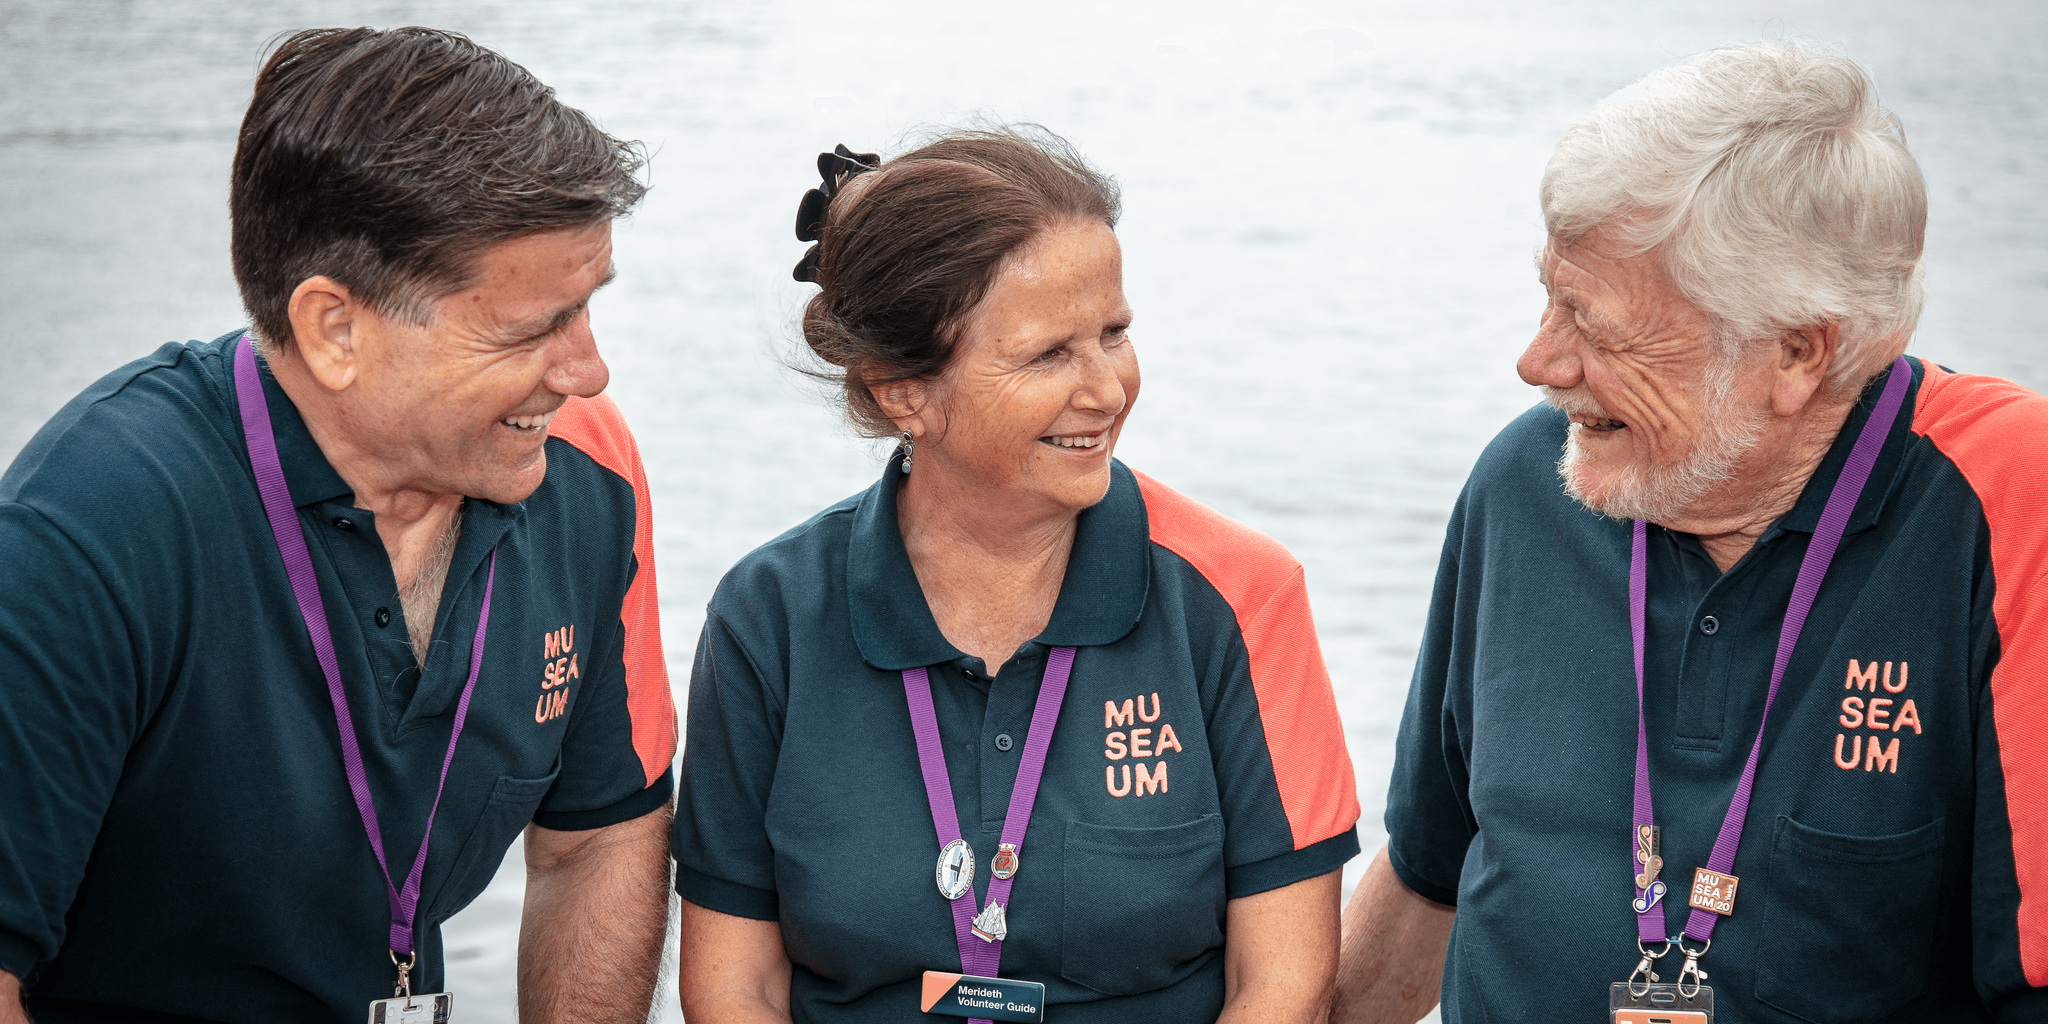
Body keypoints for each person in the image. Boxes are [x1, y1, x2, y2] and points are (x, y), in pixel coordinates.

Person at [1330, 42, 2048, 1023]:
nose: (1536, 361)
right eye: (1548, 297)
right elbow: (1426, 875)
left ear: (1795, 351)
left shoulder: (2007, 496)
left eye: (1595, 324)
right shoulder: (1523, 480)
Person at [0, 27, 677, 1024]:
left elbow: (598, 838)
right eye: (534, 327)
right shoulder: (87, 532)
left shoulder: (587, 464)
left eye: (586, 309)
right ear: (336, 329)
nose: (587, 370)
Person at [669, 129, 1362, 1022]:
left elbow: (1285, 986)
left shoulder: (1241, 595)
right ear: (901, 392)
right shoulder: (767, 615)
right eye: (1047, 354)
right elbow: (734, 988)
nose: (1107, 390)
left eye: (1114, 334)